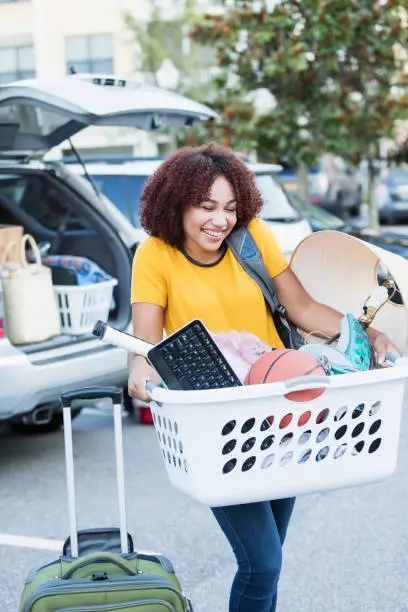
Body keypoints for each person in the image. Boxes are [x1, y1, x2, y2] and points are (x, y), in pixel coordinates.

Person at [127, 143, 399, 612]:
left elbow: (304, 308)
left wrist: (369, 333)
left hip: (278, 411)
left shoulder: (253, 238)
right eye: (206, 206)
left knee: (267, 560)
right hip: (218, 423)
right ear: (177, 203)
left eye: (231, 208)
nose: (221, 220)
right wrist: (140, 374)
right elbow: (146, 346)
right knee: (263, 563)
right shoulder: (154, 255)